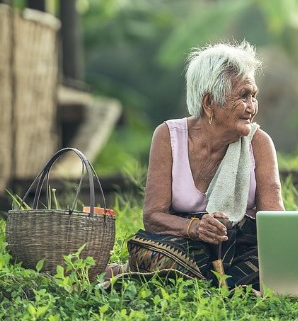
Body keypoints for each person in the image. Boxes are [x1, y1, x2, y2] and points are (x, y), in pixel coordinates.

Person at [120, 41, 284, 289]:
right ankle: (225, 285)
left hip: (241, 248)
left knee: (272, 266)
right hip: (185, 245)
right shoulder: (168, 136)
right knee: (158, 255)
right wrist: (195, 227)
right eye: (243, 96)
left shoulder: (259, 143)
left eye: (254, 96)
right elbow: (153, 217)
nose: (252, 107)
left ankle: (209, 283)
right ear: (209, 103)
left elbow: (274, 225)